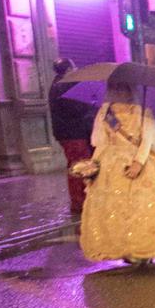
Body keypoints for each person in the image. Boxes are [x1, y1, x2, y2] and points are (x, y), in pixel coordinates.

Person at [78, 85, 155, 266]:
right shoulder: (106, 112)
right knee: (116, 209)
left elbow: (147, 139)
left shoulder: (142, 111)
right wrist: (94, 166)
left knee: (144, 206)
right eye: (118, 89)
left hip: (140, 161)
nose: (120, 93)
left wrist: (139, 162)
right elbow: (103, 143)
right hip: (112, 163)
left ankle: (145, 248)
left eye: (124, 89)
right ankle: (125, 248)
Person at [46, 60, 97, 218]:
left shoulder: (57, 85)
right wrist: (91, 102)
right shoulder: (65, 85)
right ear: (69, 69)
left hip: (69, 133)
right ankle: (79, 202)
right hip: (74, 134)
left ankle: (80, 200)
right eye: (74, 67)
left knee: (77, 165)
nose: (76, 70)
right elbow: (77, 109)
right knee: (79, 166)